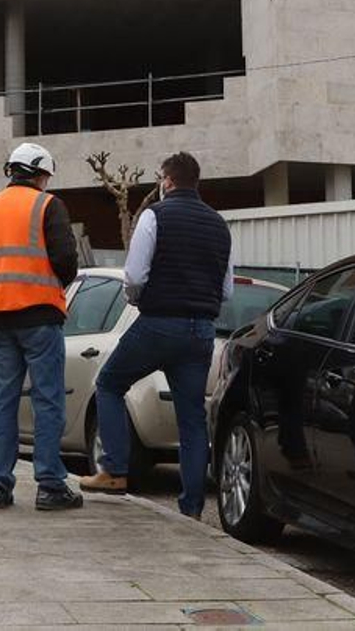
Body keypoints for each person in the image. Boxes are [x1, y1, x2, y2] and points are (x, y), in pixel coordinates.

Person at [80, 151, 233, 518]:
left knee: (110, 385)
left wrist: (139, 300)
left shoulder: (154, 215)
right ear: (196, 182)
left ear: (167, 181)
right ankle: (192, 507)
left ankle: (114, 470)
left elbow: (134, 276)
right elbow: (226, 290)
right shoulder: (219, 224)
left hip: (159, 322)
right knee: (192, 418)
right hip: (201, 332)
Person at [0, 142, 82, 512]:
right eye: (46, 175)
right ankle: (49, 484)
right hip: (39, 317)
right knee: (48, 400)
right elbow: (66, 259)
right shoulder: (48, 206)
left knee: (1, 401)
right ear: (39, 173)